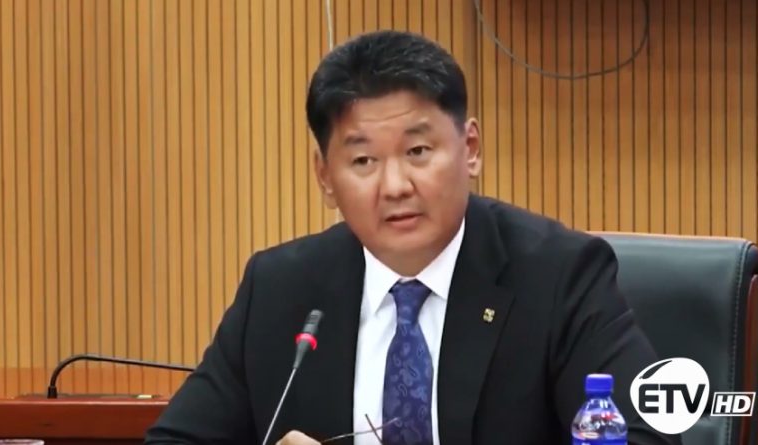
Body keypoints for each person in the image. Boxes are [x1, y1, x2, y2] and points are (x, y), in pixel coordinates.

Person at [144, 30, 681, 445]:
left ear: (470, 149)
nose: (395, 186)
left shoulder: (559, 276)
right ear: (325, 177)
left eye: (418, 152)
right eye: (363, 161)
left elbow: (645, 436)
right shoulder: (280, 290)